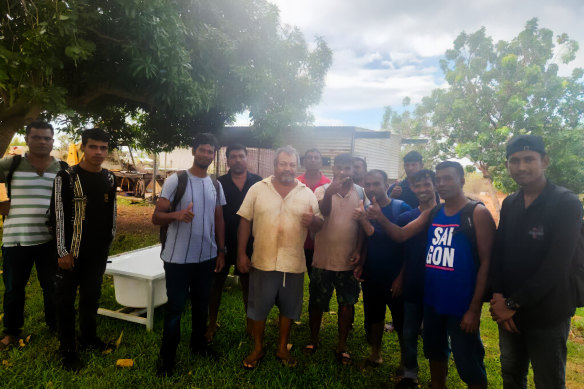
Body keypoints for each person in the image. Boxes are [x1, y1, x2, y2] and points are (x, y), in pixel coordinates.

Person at [490, 135, 582, 389]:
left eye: (529, 160)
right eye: (514, 161)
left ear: (545, 161)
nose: (521, 167)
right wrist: (498, 295)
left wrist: (512, 303)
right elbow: (500, 251)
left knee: (548, 380)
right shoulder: (510, 202)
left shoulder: (565, 203)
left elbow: (557, 266)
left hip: (547, 312)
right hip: (509, 311)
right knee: (511, 373)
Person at [237, 145, 323, 369]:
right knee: (258, 308)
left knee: (289, 309)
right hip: (262, 260)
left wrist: (313, 221)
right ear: (274, 165)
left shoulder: (306, 193)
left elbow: (320, 223)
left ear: (297, 167)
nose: (287, 168)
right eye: (283, 163)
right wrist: (241, 253)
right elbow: (245, 220)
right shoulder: (258, 189)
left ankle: (282, 348)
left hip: (293, 263)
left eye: (292, 164)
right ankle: (258, 347)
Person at [153, 133, 226, 376]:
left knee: (201, 305)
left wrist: (221, 250)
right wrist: (177, 215)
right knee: (175, 307)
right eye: (203, 150)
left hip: (206, 257)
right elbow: (156, 217)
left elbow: (219, 219)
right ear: (194, 151)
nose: (207, 155)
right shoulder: (176, 180)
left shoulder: (216, 184)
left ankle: (198, 345)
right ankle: (167, 358)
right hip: (177, 259)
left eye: (211, 152)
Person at [51, 128, 117, 371]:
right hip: (71, 253)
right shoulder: (66, 177)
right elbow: (58, 215)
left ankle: (88, 338)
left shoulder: (109, 178)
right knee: (65, 300)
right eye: (93, 147)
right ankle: (67, 349)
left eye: (103, 148)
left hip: (97, 253)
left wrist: (109, 243)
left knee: (91, 297)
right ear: (83, 147)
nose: (98, 152)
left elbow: (113, 213)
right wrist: (61, 251)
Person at [0, 120, 64, 350]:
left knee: (53, 286)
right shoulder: (12, 163)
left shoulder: (62, 168)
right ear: (27, 139)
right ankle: (11, 332)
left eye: (47, 138)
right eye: (36, 137)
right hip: (16, 238)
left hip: (50, 241)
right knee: (14, 288)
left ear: (52, 141)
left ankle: (56, 327)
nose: (42, 142)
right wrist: (1, 201)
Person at [304, 153, 363, 364]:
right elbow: (324, 213)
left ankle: (342, 344)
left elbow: (362, 228)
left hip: (348, 262)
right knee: (317, 303)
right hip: (323, 259)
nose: (343, 173)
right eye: (339, 168)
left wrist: (359, 251)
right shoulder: (322, 190)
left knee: (347, 304)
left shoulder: (361, 192)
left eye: (347, 169)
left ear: (353, 171)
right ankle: (313, 339)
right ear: (333, 169)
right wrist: (330, 193)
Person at [353, 169, 411, 367]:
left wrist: (401, 277)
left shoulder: (401, 208)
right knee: (375, 316)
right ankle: (375, 354)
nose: (371, 188)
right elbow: (369, 240)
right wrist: (361, 262)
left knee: (401, 321)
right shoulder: (367, 210)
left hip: (395, 276)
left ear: (386, 186)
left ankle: (406, 364)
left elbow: (409, 247)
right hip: (373, 274)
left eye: (376, 184)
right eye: (367, 184)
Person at [206, 144, 261, 341]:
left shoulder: (258, 183)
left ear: (247, 159)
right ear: (227, 160)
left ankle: (250, 324)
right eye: (233, 156)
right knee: (216, 285)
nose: (238, 160)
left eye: (241, 156)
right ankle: (211, 323)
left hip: (249, 242)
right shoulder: (218, 183)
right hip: (221, 241)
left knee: (249, 286)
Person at [395, 169, 437, 388]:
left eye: (426, 184)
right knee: (409, 332)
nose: (422, 190)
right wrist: (400, 278)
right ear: (411, 188)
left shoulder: (446, 215)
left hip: (439, 285)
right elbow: (405, 254)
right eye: (417, 186)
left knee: (436, 335)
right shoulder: (405, 218)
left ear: (435, 185)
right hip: (413, 281)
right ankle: (410, 374)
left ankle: (438, 378)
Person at [297, 148, 330, 277]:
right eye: (309, 157)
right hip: (298, 240)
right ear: (304, 161)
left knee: (316, 280)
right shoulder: (296, 182)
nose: (313, 160)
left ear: (321, 162)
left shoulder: (328, 185)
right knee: (294, 276)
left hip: (319, 241)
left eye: (316, 157)